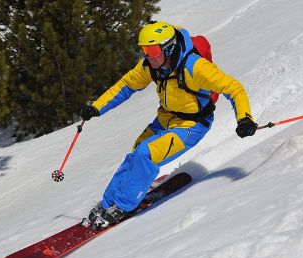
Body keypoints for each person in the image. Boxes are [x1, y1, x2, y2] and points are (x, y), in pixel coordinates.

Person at [80, 21, 257, 230]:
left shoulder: (195, 67)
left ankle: (122, 206)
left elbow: (234, 88)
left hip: (191, 124)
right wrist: (97, 107)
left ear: (168, 47)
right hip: (165, 118)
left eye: (152, 50)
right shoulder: (151, 66)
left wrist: (244, 118)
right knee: (138, 150)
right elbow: (126, 85)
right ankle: (109, 202)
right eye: (144, 50)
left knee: (146, 154)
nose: (148, 55)